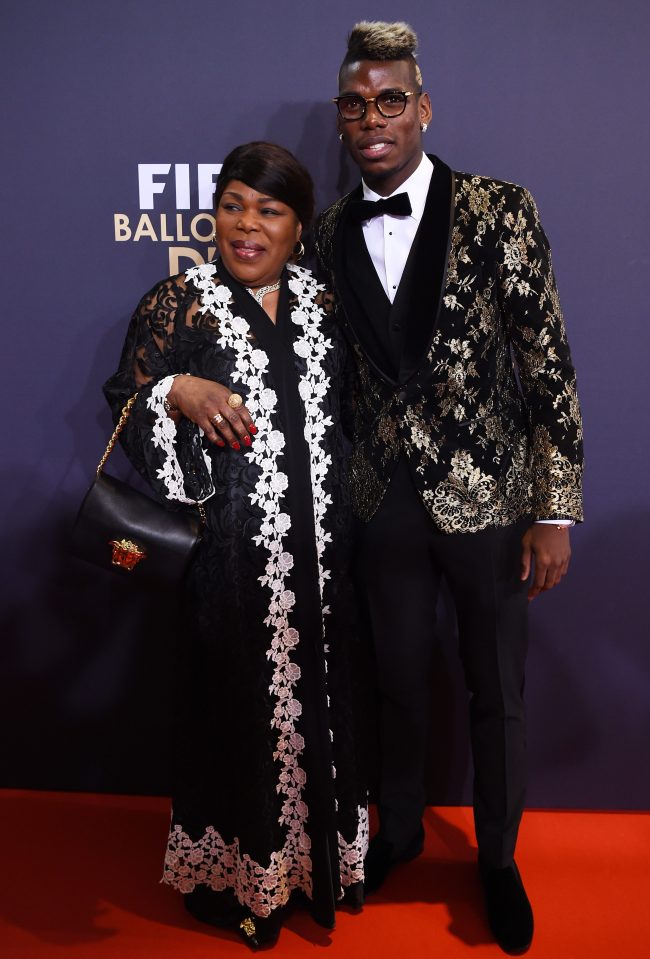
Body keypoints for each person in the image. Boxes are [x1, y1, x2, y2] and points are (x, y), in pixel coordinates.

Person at [315, 21, 583, 956]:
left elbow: (545, 361)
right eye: (355, 104)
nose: (372, 118)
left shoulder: (501, 209)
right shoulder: (324, 232)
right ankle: (393, 832)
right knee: (390, 678)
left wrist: (554, 508)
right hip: (377, 496)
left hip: (488, 492)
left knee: (494, 687)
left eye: (390, 100)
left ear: (422, 108)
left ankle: (498, 859)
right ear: (343, 120)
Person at [103, 141, 367, 950]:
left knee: (321, 713)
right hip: (227, 570)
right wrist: (173, 390)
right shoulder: (177, 303)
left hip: (323, 567)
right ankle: (240, 883)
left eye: (270, 210)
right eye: (232, 204)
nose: (246, 226)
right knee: (235, 720)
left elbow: (362, 424)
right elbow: (127, 404)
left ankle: (320, 867)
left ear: (299, 226)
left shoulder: (328, 303)